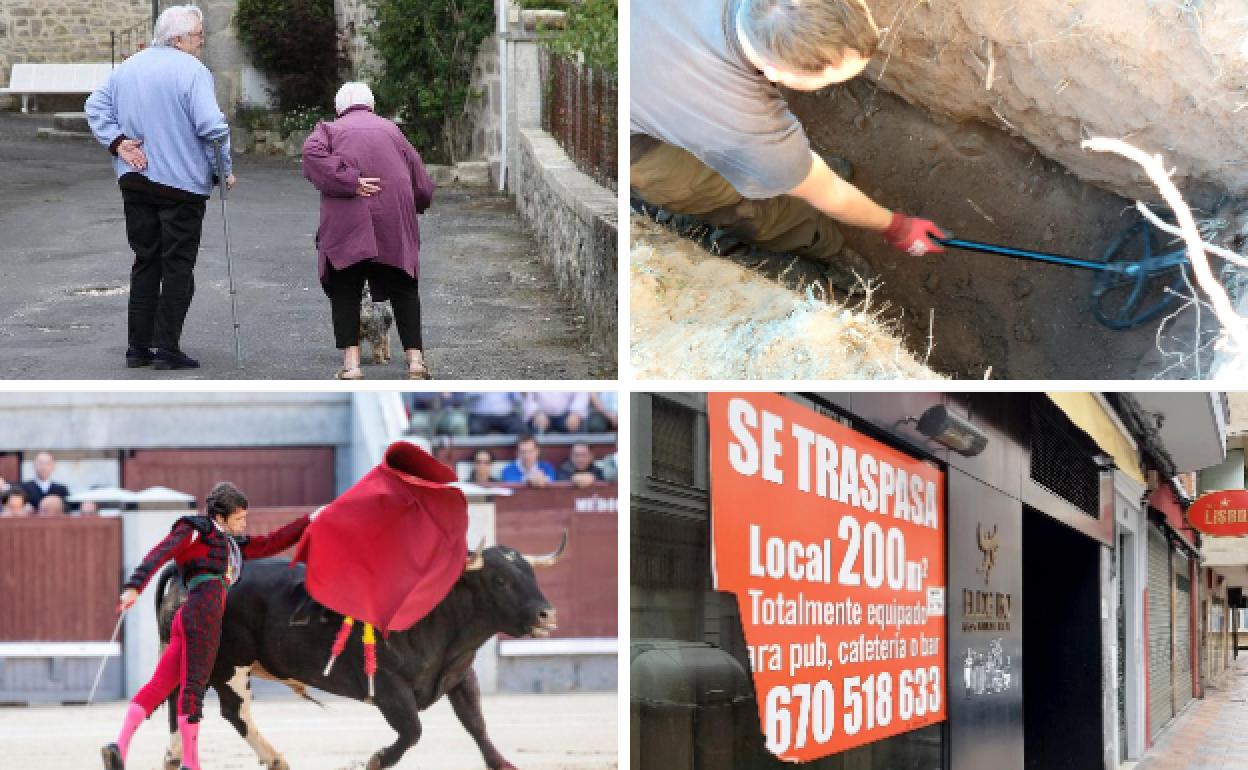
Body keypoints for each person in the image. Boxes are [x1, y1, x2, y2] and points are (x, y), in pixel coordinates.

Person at [630, 0, 948, 294]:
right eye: (833, 80)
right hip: (637, 144)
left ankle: (797, 173)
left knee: (788, 170)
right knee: (743, 204)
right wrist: (897, 226)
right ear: (775, 71)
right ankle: (819, 245)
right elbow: (829, 194)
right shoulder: (745, 125)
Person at [100, 483, 315, 770]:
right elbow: (161, 552)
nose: (244, 524)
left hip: (186, 615)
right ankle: (191, 763)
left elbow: (271, 542)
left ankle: (120, 745)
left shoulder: (230, 544)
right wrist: (134, 586)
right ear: (221, 517)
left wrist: (310, 521)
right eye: (239, 518)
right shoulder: (196, 529)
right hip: (205, 614)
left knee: (160, 685)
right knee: (194, 687)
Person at [85, 5, 234, 371]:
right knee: (178, 265)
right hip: (181, 185)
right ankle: (168, 348)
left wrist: (119, 142)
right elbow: (212, 128)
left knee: (146, 261)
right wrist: (222, 171)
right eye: (199, 36)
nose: (201, 43)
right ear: (179, 38)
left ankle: (138, 348)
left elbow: (94, 105)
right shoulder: (193, 71)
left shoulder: (130, 66)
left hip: (135, 180)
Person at [303, 82, 436, 380]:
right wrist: (420, 200)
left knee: (346, 287)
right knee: (404, 285)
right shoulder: (392, 130)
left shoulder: (329, 130)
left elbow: (311, 155)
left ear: (340, 108)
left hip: (348, 220)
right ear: (371, 106)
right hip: (393, 217)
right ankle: (416, 362)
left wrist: (348, 181)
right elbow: (419, 176)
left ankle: (351, 366)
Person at [523, 392, 589, 434]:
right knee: (534, 426)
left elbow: (581, 395)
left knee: (577, 424)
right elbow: (529, 399)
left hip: (568, 414)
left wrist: (575, 413)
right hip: (541, 414)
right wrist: (536, 413)